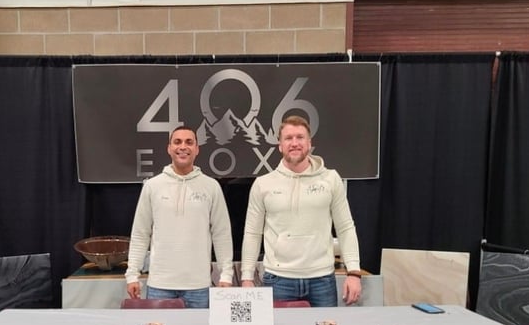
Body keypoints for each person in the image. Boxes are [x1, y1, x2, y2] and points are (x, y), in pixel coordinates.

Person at [240, 115, 362, 306]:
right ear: (280, 145)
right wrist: (247, 277)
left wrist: (353, 272)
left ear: (309, 142)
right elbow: (252, 233)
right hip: (278, 280)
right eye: (288, 138)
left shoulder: (331, 179)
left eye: (300, 137)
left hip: (322, 280)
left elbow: (346, 227)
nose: (294, 143)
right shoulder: (263, 184)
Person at [125, 125, 234, 308]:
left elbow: (221, 234)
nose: (183, 146)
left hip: (198, 286)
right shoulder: (152, 186)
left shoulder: (211, 186)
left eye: (189, 142)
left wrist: (226, 274)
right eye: (177, 142)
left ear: (197, 149)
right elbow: (140, 234)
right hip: (160, 285)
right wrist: (132, 274)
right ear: (169, 148)